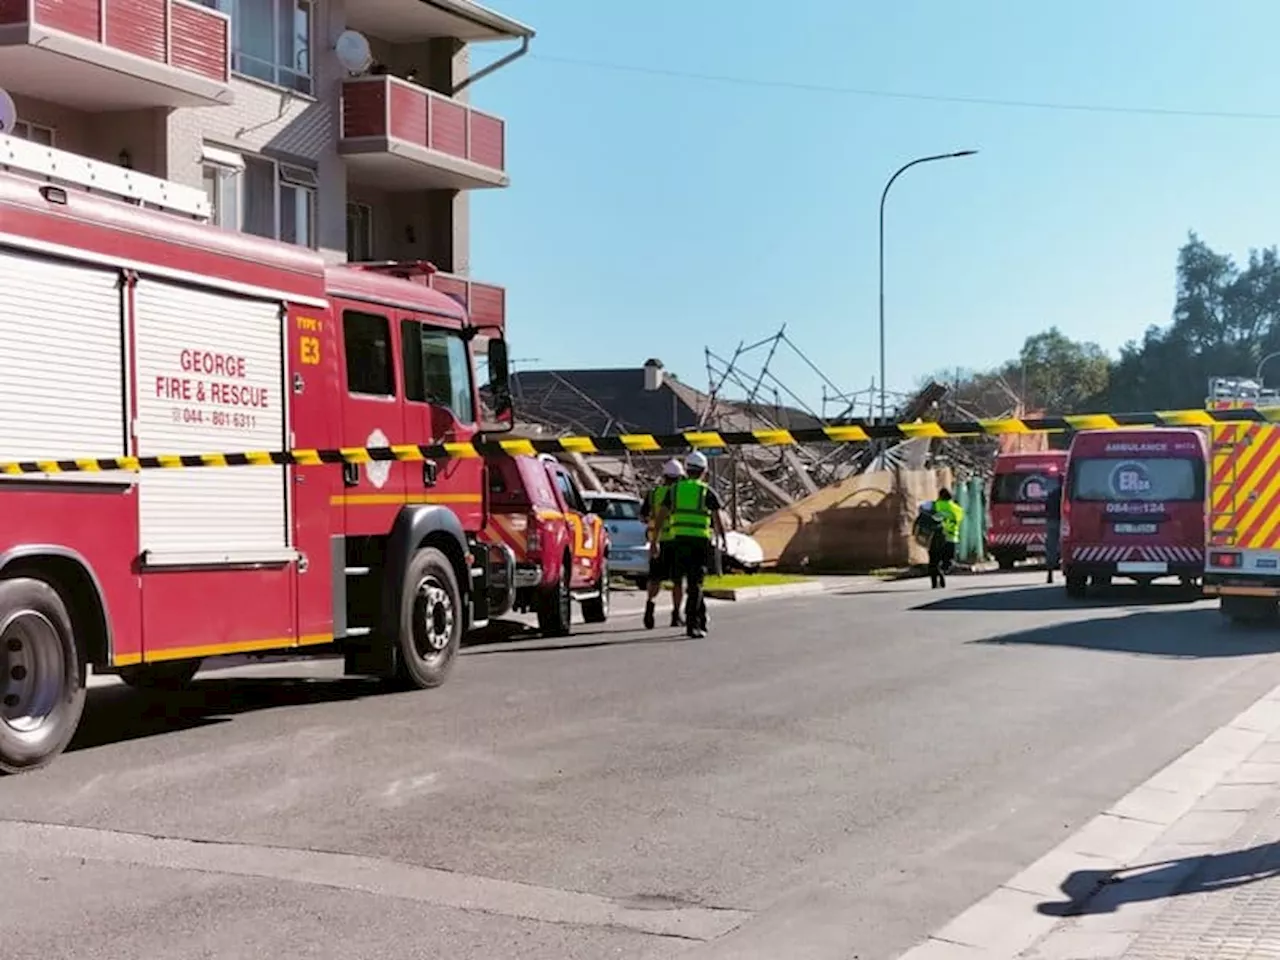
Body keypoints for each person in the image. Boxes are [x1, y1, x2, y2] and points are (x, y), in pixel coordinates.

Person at [654, 451, 726, 638]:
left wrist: (654, 540)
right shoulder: (706, 491)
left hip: (678, 541)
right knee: (696, 583)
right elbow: (718, 520)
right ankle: (692, 623)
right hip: (699, 542)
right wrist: (723, 539)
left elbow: (661, 516)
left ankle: (700, 617)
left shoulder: (674, 491)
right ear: (704, 471)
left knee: (685, 581)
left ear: (686, 470)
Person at [640, 458, 685, 630]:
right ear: (679, 477)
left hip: (656, 541)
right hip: (675, 541)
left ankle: (649, 606)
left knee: (654, 578)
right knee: (678, 581)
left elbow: (643, 516)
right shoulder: (680, 494)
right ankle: (676, 614)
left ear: (664, 476)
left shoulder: (653, 494)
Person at [928, 488, 965, 589]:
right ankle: (942, 572)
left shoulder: (935, 505)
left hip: (936, 537)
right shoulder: (957, 509)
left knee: (933, 561)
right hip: (951, 538)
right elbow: (959, 520)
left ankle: (935, 582)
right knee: (947, 561)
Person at [1044, 477, 1062, 584]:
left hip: (1052, 521)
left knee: (1051, 547)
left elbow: (1047, 509)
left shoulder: (1052, 494)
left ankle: (1050, 573)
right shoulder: (1067, 494)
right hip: (1064, 521)